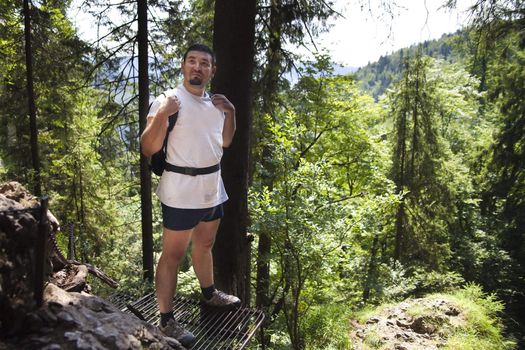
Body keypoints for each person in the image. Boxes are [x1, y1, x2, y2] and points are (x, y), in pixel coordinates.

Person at [140, 43, 240, 348]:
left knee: (205, 244)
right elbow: (148, 147)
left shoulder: (216, 104)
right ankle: (167, 319)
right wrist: (162, 116)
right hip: (180, 191)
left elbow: (224, 141)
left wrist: (231, 112)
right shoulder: (168, 100)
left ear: (212, 71)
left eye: (204, 63)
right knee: (172, 255)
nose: (198, 67)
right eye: (192, 62)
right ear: (183, 66)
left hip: (212, 189)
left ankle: (209, 294)